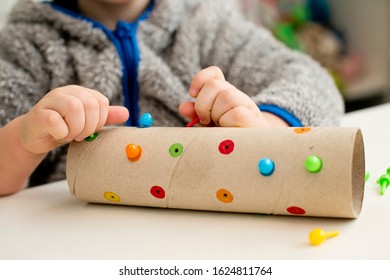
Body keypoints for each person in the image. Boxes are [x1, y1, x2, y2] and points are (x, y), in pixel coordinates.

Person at [0, 0, 344, 196]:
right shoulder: (28, 42)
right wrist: (22, 141)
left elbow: (312, 82)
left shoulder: (205, 21)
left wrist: (262, 126)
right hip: (72, 242)